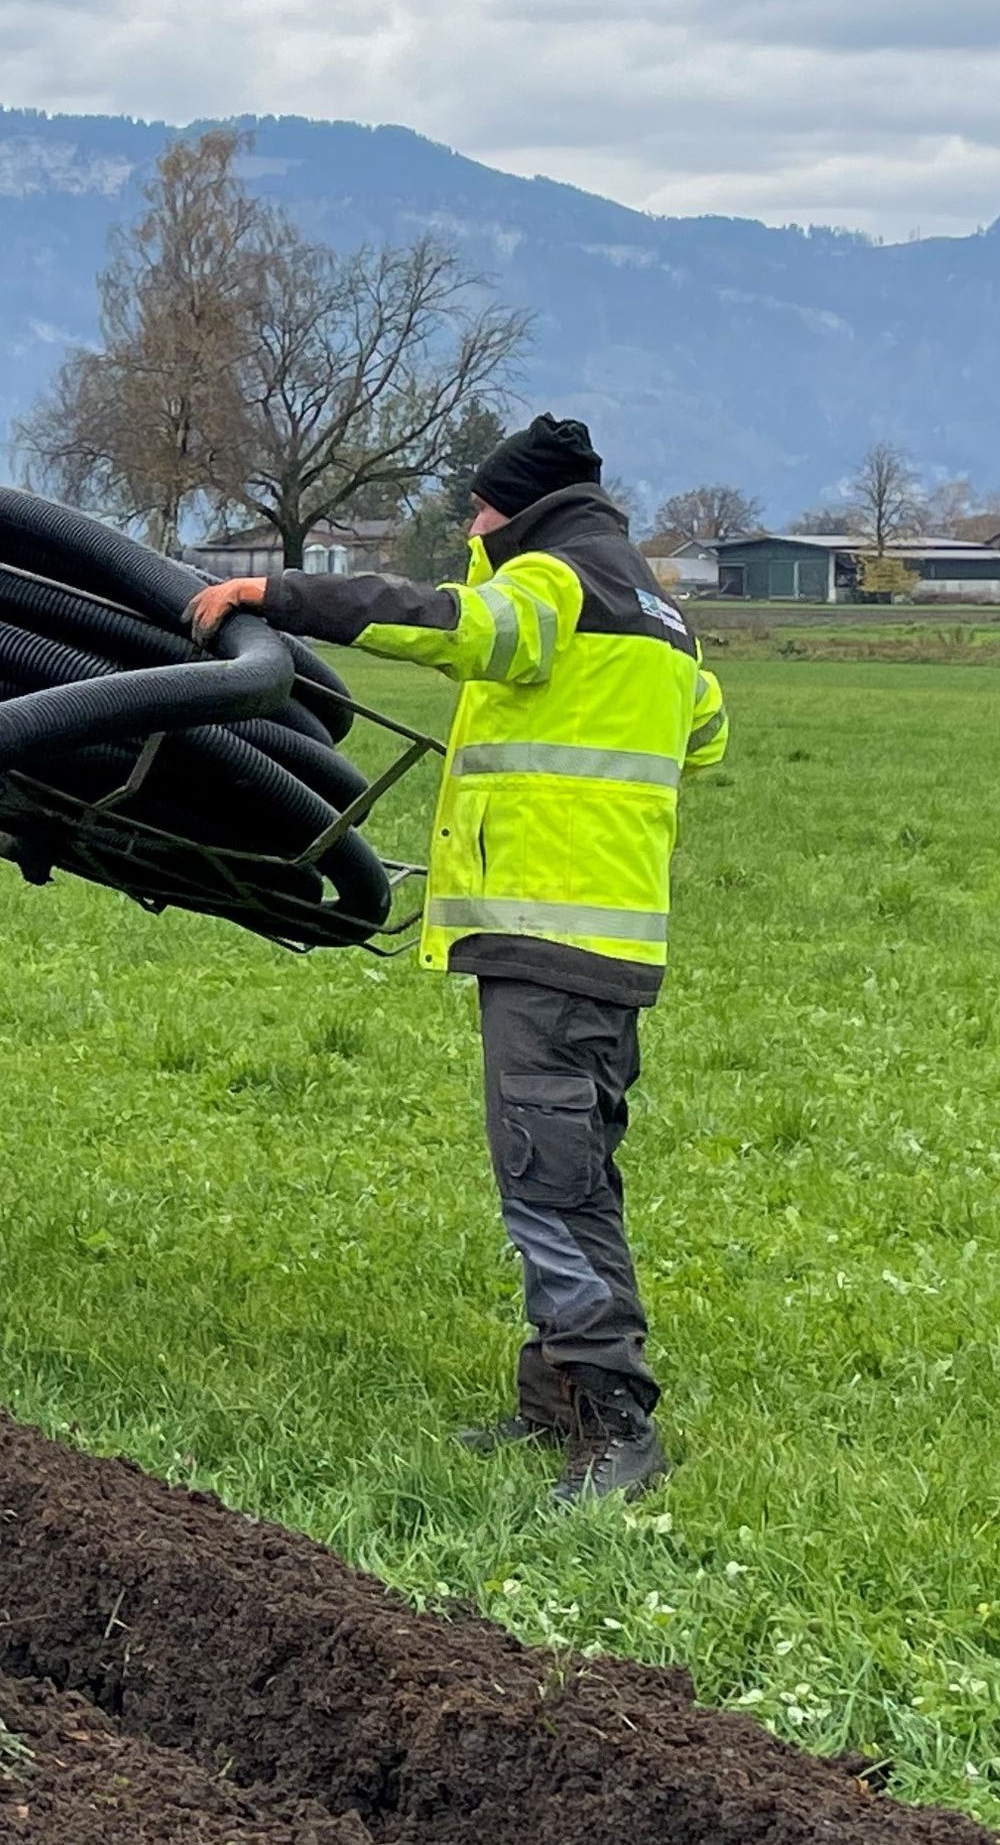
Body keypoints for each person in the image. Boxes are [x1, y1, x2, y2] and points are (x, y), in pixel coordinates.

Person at [190, 415, 730, 1504]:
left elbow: (449, 620)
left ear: (512, 508)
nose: (471, 528)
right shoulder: (660, 616)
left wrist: (274, 598)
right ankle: (553, 1405)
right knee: (572, 1167)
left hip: (546, 936)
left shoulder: (553, 585)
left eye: (479, 509)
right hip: (614, 938)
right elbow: (706, 735)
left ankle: (616, 1427)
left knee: (547, 1181)